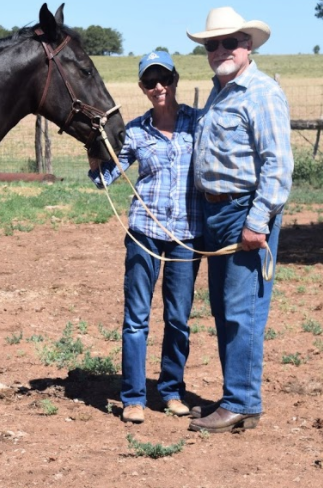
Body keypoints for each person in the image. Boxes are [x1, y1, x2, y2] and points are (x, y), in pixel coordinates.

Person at [186, 7, 293, 433]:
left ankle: (242, 401)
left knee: (242, 310)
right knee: (225, 308)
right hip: (217, 211)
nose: (220, 50)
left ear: (247, 45)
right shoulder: (219, 92)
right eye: (212, 44)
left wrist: (258, 220)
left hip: (243, 211)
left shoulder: (261, 92)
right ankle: (238, 397)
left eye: (229, 42)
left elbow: (277, 164)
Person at [88, 50, 204, 424]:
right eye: (151, 81)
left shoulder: (198, 124)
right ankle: (134, 397)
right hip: (144, 234)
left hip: (186, 236)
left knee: (178, 318)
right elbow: (106, 177)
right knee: (136, 318)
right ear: (142, 87)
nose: (159, 87)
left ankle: (171, 391)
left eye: (165, 79)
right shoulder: (135, 131)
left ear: (175, 80)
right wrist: (95, 157)